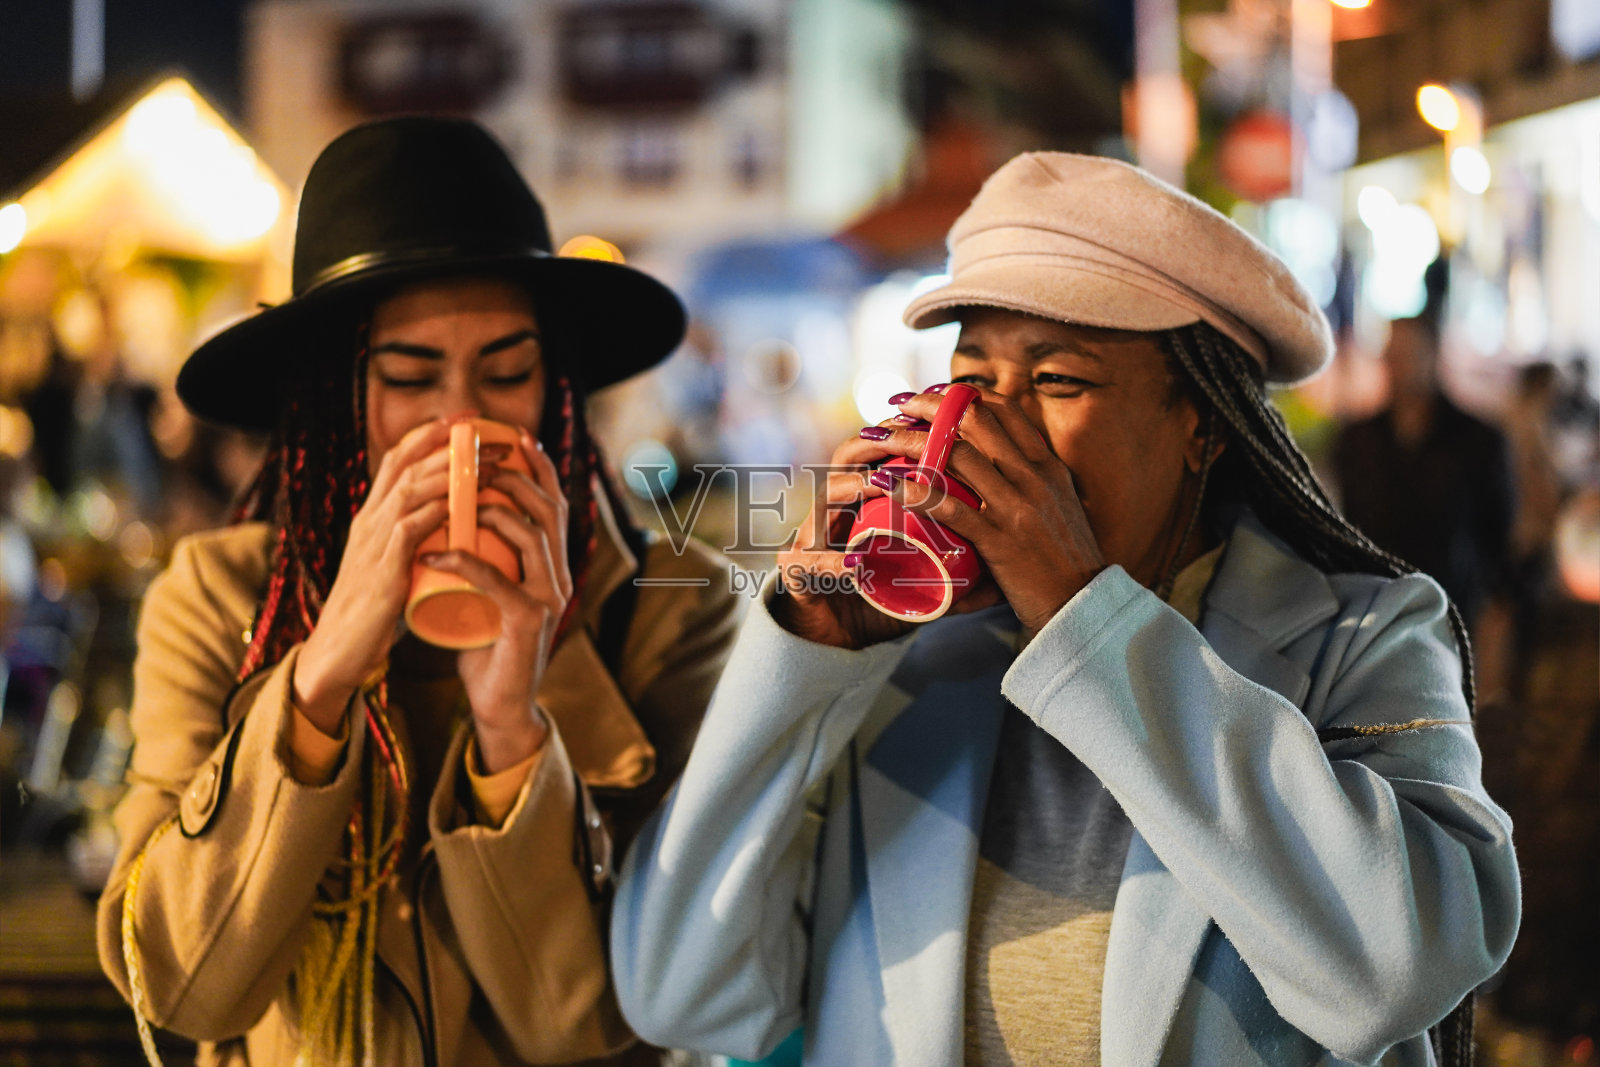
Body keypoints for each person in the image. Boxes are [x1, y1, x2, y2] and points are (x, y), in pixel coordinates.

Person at [610, 153, 1520, 1066]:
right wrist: (804, 662)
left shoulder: (1365, 635)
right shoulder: (909, 661)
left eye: (1056, 382)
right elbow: (681, 993)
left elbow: (1391, 974)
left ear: (1200, 421)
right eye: (969, 380)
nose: (985, 432)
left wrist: (1088, 620)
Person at [95, 117, 739, 1066]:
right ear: (331, 404)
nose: (461, 421)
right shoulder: (222, 597)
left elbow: (590, 1022)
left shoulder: (669, 608)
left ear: (556, 391)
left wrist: (517, 720)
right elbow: (185, 986)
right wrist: (318, 680)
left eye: (508, 373)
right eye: (408, 376)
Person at [1330, 314, 1515, 632]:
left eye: (1408, 354)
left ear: (1431, 355)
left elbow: (1497, 531)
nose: (1397, 365)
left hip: (1453, 608)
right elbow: (1350, 521)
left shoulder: (1477, 439)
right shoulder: (1358, 439)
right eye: (1392, 355)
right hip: (1376, 609)